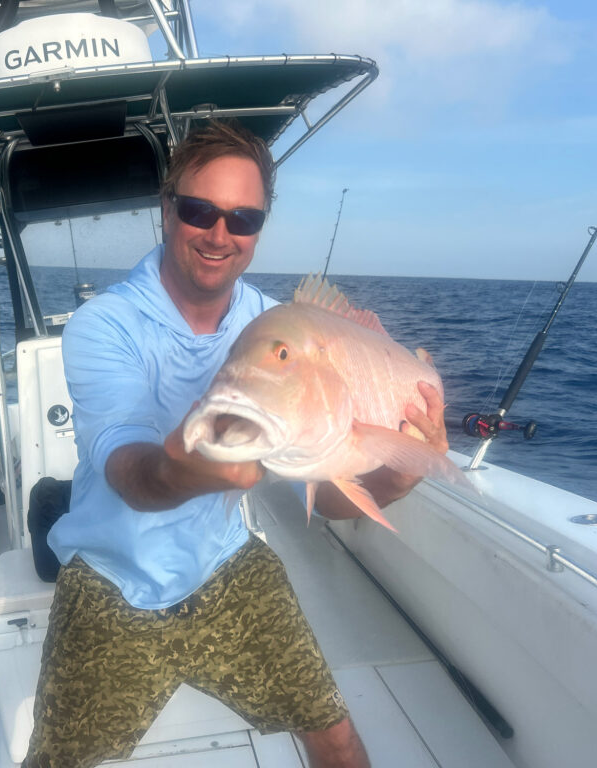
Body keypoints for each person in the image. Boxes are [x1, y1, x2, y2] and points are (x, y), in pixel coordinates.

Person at [22, 120, 449, 768]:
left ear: (258, 229)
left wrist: (403, 471)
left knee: (336, 739)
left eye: (243, 219)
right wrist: (186, 473)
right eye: (200, 210)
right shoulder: (102, 325)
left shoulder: (272, 322)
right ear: (167, 210)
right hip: (112, 583)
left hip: (225, 564)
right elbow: (131, 470)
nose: (220, 234)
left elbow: (333, 496)